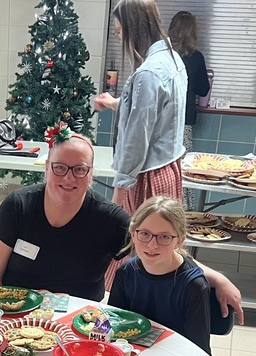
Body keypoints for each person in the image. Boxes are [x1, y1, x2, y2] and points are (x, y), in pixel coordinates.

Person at [0, 126, 243, 320]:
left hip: (78, 322)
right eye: (59, 167)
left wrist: (218, 278)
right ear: (46, 167)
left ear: (91, 174)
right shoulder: (18, 206)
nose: (68, 178)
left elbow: (159, 248)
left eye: (79, 169)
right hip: (16, 314)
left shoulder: (109, 219)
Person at [94, 0, 185, 215]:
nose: (118, 38)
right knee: (160, 243)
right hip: (167, 170)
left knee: (140, 245)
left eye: (118, 32)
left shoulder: (149, 73)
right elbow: (154, 113)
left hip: (147, 177)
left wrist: (120, 189)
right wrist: (116, 103)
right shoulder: (173, 60)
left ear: (133, 29)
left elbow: (137, 136)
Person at [108, 196, 211, 354]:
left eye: (164, 237)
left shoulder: (193, 286)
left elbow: (198, 352)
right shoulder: (125, 272)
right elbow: (114, 328)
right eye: (145, 234)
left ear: (179, 240)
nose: (152, 245)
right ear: (133, 234)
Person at [168, 11, 211, 212]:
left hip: (161, 121)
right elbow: (203, 90)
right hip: (184, 120)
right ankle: (185, 211)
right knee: (184, 169)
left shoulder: (163, 56)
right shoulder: (196, 58)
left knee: (163, 167)